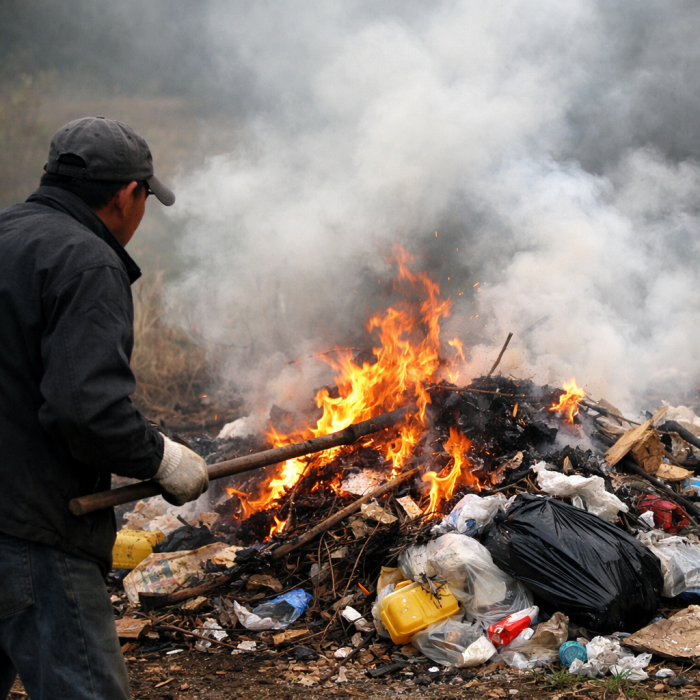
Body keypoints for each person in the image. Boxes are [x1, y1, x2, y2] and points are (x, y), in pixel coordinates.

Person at [0, 117, 210, 700]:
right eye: (145, 200)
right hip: (33, 532)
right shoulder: (87, 261)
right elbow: (85, 409)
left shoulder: (6, 232)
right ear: (127, 195)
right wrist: (160, 458)